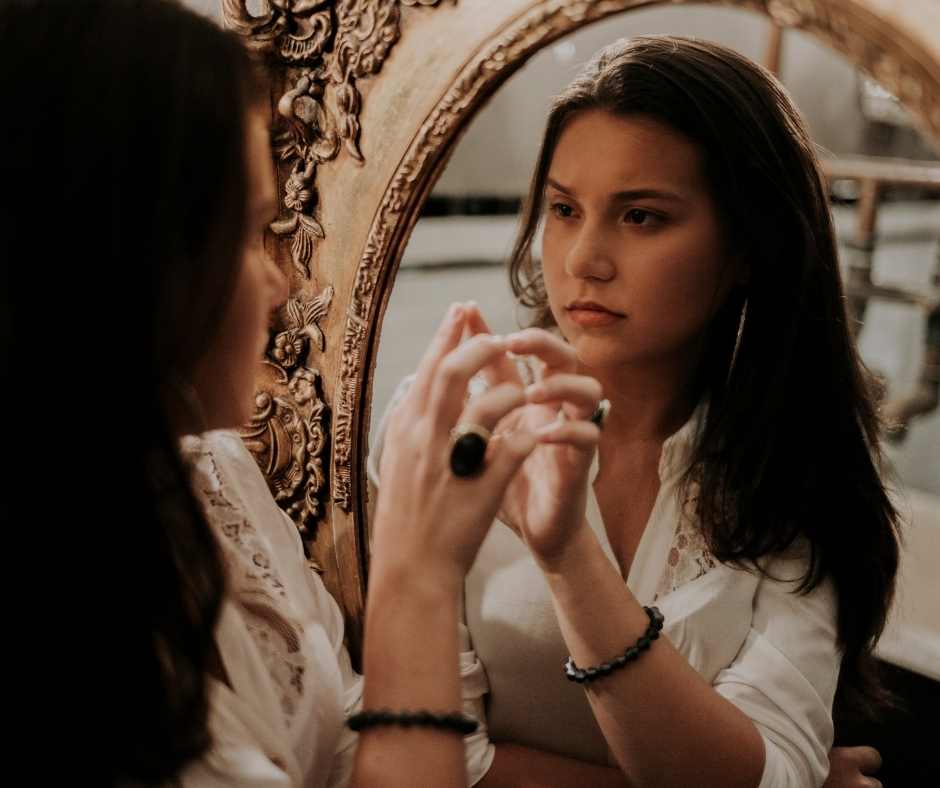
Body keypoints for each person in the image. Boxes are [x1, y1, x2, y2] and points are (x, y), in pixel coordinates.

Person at [1, 2, 601, 785]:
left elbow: (347, 732)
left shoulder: (214, 476)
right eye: (248, 234)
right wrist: (415, 578)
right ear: (123, 261)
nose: (282, 284)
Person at [370, 36, 899, 788]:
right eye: (562, 208)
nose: (584, 258)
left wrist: (567, 557)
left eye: (642, 217)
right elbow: (424, 749)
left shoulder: (791, 459)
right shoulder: (453, 423)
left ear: (749, 246)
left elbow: (777, 761)